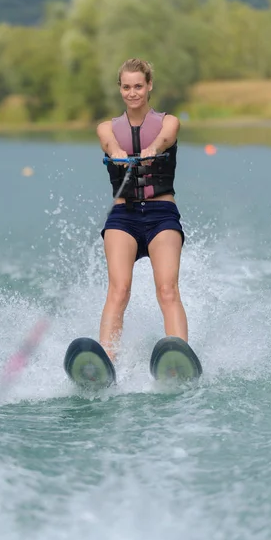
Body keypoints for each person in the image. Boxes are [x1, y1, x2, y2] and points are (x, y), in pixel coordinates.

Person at [97, 58, 187, 361]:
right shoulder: (106, 128)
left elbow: (166, 137)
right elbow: (109, 144)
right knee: (119, 290)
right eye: (126, 87)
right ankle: (107, 361)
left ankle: (178, 357)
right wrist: (119, 153)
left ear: (149, 86)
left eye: (138, 86)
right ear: (120, 89)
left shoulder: (168, 122)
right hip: (123, 218)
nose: (132, 92)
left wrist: (153, 149)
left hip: (161, 215)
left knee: (167, 289)